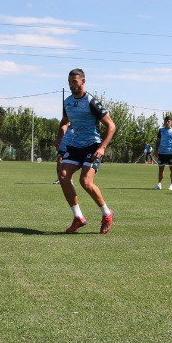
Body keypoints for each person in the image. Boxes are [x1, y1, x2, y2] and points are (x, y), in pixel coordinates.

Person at [55, 69, 116, 233]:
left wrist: (102, 148)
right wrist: (59, 138)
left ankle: (106, 213)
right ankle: (78, 217)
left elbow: (111, 126)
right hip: (75, 145)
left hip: (93, 146)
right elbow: (64, 121)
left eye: (74, 81)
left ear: (83, 81)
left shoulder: (91, 101)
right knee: (63, 176)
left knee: (85, 182)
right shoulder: (67, 102)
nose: (71, 85)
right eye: (69, 82)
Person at [154, 116, 172, 190]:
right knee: (161, 169)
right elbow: (158, 141)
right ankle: (159, 184)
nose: (167, 122)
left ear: (171, 122)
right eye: (166, 121)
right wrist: (156, 151)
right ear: (164, 122)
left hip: (171, 153)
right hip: (162, 153)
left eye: (169, 121)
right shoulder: (161, 130)